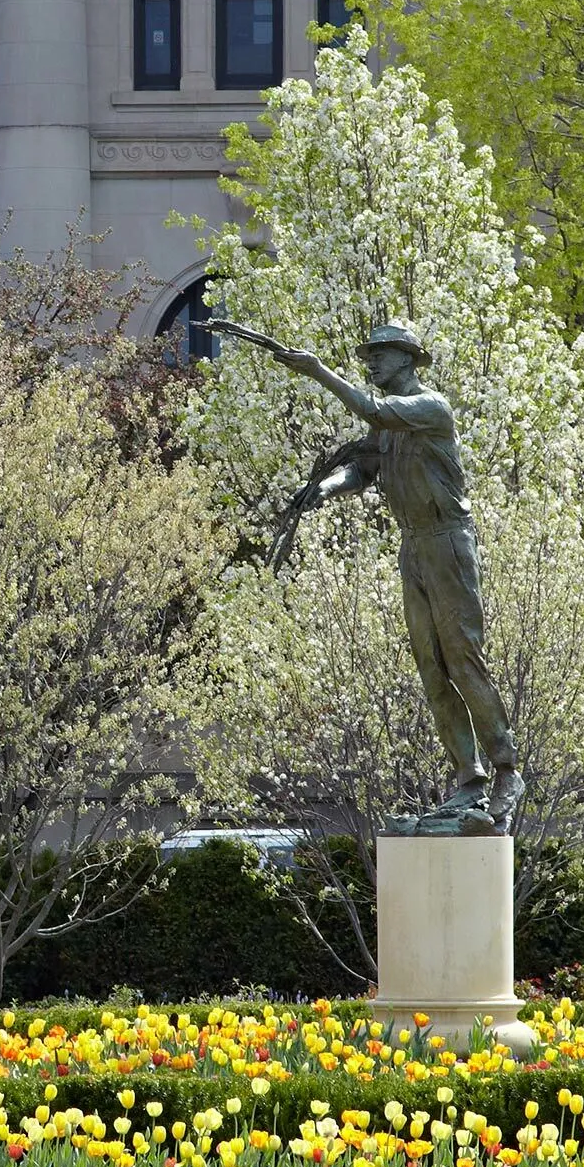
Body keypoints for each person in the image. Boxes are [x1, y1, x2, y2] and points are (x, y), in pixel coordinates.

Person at [212, 318, 522, 835]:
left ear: (407, 359)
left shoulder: (429, 408)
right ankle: (470, 774)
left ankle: (506, 769)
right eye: (369, 355)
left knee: (463, 658)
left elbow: (372, 409)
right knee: (430, 664)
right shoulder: (388, 429)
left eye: (381, 354)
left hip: (448, 542)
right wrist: (325, 488)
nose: (372, 362)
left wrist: (318, 372)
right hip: (415, 546)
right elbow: (363, 470)